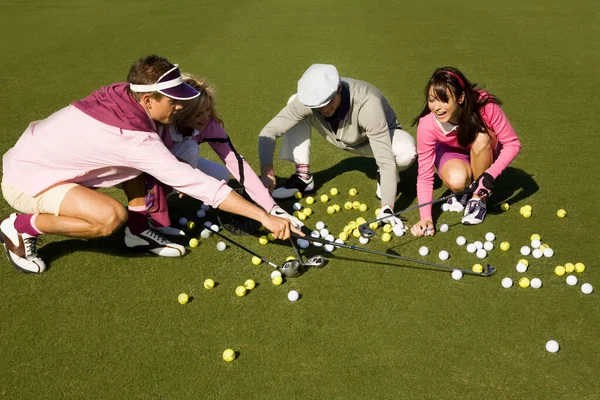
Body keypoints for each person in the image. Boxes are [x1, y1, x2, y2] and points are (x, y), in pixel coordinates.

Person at [0, 55, 300, 274]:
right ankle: (21, 227)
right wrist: (264, 217)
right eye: (173, 100)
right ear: (147, 100)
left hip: (45, 156)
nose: (181, 107)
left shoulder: (125, 93)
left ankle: (139, 229)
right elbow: (199, 184)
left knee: (137, 166)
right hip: (29, 178)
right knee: (109, 218)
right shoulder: (134, 139)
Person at [257, 63, 417, 227]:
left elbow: (385, 158)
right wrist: (267, 172)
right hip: (338, 136)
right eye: (318, 106)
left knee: (407, 150)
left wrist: (387, 207)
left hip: (376, 140)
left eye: (329, 101)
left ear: (339, 88)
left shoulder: (368, 104)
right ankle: (302, 177)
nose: (325, 109)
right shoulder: (311, 102)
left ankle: (384, 177)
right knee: (293, 102)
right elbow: (268, 132)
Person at [146, 73, 302, 230]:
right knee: (190, 149)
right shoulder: (161, 125)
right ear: (181, 112)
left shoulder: (209, 126)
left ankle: (172, 190)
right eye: (198, 114)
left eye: (207, 110)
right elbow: (148, 159)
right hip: (143, 168)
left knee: (220, 175)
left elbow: (236, 163)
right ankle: (152, 208)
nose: (205, 118)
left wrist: (272, 208)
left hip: (177, 160)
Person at [410, 67, 521, 237]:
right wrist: (426, 217)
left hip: (484, 148)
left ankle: (478, 199)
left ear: (461, 98)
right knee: (457, 180)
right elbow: (425, 174)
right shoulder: (427, 124)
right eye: (432, 100)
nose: (437, 107)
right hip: (452, 153)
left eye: (444, 100)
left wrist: (489, 175)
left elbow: (512, 144)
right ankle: (465, 191)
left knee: (481, 137)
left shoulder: (485, 105)